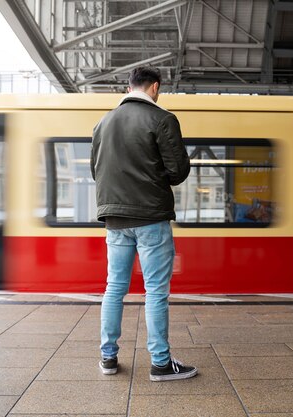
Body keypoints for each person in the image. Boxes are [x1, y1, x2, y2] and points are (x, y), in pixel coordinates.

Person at [90, 66, 197, 382]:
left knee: (114, 288)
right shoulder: (162, 119)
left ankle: (108, 359)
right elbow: (177, 172)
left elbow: (98, 171)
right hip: (151, 217)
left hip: (114, 220)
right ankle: (161, 364)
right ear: (154, 87)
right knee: (155, 291)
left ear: (128, 88)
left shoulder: (102, 123)